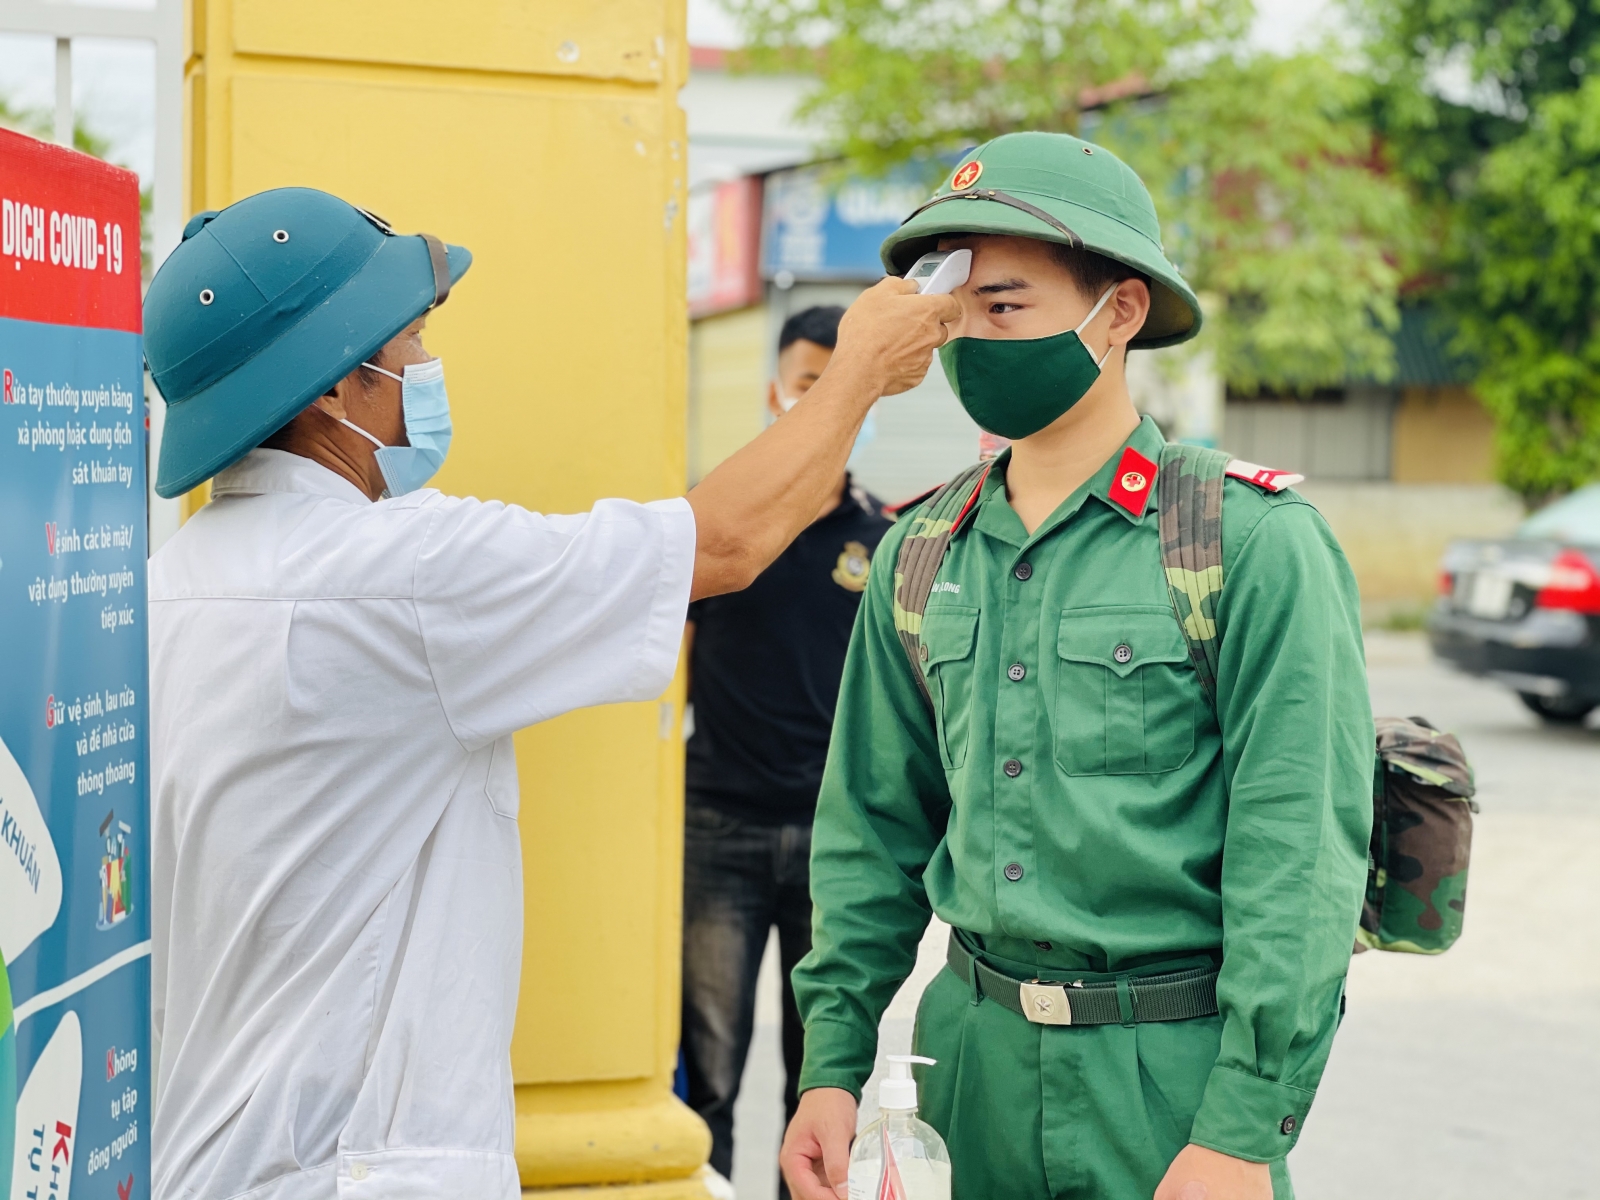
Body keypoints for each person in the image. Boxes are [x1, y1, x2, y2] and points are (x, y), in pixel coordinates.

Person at [141, 187, 958, 1200]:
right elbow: (724, 543)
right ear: (333, 388)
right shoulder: (397, 576)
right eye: (412, 340)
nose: (428, 368)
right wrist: (858, 376)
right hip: (348, 1167)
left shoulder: (169, 585)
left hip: (209, 1157)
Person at [779, 133, 1373, 1200]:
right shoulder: (919, 554)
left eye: (1006, 308)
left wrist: (1241, 1127)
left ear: (1122, 312)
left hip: (1169, 1087)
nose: (973, 342)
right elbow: (868, 831)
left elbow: (1300, 859)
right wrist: (829, 1062)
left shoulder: (1248, 540)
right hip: (968, 1070)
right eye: (956, 316)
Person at [680, 305, 893, 1195]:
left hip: (831, 846)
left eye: (842, 385)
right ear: (777, 390)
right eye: (810, 382)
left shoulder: (882, 539)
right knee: (708, 1074)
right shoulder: (724, 525)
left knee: (821, 1080)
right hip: (716, 829)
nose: (823, 401)